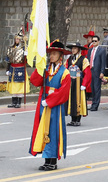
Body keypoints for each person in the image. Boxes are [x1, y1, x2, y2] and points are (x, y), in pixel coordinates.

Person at [29, 40, 71, 171]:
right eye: (50, 54)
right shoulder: (46, 69)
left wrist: (50, 100)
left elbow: (64, 92)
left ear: (60, 55)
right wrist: (39, 67)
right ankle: (46, 159)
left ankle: (53, 161)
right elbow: (35, 81)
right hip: (43, 104)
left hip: (55, 106)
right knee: (43, 130)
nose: (51, 56)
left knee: (53, 132)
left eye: (54, 53)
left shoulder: (65, 72)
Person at [65, 42, 90, 126]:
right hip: (70, 83)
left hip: (79, 83)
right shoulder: (69, 59)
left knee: (78, 100)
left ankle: (78, 119)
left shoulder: (84, 60)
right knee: (71, 100)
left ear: (79, 49)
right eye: (72, 48)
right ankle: (72, 119)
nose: (73, 50)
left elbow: (88, 73)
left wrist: (84, 84)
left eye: (75, 48)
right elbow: (65, 70)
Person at [5, 32, 29, 108]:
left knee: (19, 86)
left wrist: (26, 55)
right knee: (13, 86)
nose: (16, 40)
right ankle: (13, 102)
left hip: (20, 69)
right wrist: (7, 70)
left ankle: (19, 102)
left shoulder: (24, 49)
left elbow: (27, 62)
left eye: (18, 39)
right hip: (12, 68)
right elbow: (8, 61)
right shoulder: (11, 48)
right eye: (16, 39)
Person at [87, 35, 106, 111]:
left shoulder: (101, 50)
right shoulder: (90, 50)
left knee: (97, 88)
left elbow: (103, 62)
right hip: (90, 70)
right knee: (92, 88)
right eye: (93, 41)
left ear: (98, 42)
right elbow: (88, 60)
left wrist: (102, 72)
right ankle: (93, 103)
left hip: (97, 71)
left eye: (95, 41)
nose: (94, 42)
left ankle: (95, 105)